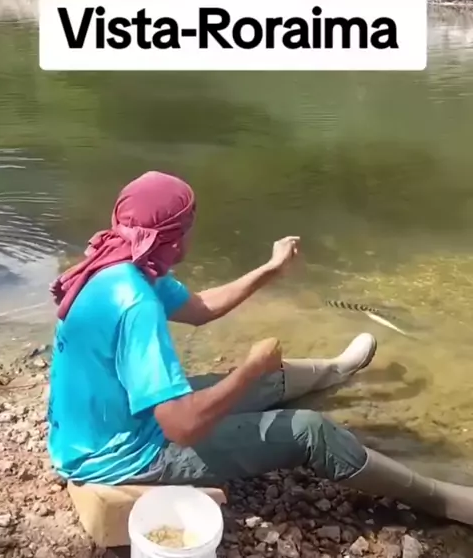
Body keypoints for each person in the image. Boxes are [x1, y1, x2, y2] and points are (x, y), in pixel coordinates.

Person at [47, 170, 473, 525]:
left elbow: (200, 308)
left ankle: (337, 370)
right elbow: (181, 427)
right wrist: (249, 368)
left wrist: (271, 269)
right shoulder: (137, 303)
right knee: (309, 430)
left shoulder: (120, 264)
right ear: (174, 240)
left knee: (260, 376)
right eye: (190, 226)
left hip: (99, 427)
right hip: (124, 453)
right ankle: (443, 499)